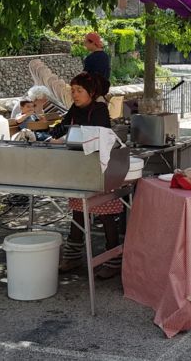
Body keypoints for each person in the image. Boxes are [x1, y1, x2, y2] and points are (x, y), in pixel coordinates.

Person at [50, 72, 120, 279]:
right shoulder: (74, 109)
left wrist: (65, 138)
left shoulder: (99, 110)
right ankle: (72, 257)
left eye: (79, 90)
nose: (75, 94)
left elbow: (98, 135)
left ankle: (113, 260)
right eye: (73, 90)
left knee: (106, 214)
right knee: (78, 212)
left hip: (99, 168)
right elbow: (61, 128)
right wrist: (52, 132)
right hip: (79, 169)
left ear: (91, 92)